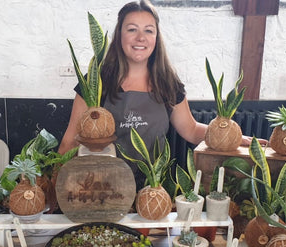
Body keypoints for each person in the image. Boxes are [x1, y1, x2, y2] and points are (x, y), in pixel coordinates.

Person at [58, 0, 259, 187]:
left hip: (152, 189)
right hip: (102, 189)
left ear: (156, 37)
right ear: (120, 35)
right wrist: (54, 184)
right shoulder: (97, 82)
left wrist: (231, 137)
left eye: (148, 30)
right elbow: (70, 141)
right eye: (132, 29)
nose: (140, 38)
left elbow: (190, 129)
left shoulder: (167, 83)